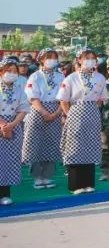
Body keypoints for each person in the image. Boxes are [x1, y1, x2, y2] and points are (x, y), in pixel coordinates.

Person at [57, 48, 107, 193]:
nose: (90, 60)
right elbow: (63, 99)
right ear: (79, 60)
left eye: (93, 58)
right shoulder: (71, 78)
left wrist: (92, 109)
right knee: (76, 147)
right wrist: (68, 114)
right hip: (75, 113)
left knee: (90, 146)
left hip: (92, 113)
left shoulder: (100, 78)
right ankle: (75, 185)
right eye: (86, 58)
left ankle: (88, 183)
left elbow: (101, 99)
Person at [23, 48, 64, 189]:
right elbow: (32, 97)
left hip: (56, 110)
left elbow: (64, 96)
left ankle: (47, 176)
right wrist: (45, 112)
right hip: (38, 111)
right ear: (41, 59)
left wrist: (57, 112)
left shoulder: (60, 76)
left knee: (52, 144)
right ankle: (37, 177)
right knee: (36, 144)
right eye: (48, 57)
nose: (52, 60)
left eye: (54, 57)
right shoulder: (35, 76)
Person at [1, 56, 30, 205]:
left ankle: (5, 194)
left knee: (9, 161)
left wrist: (12, 125)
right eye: (8, 70)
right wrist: (3, 126)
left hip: (14, 126)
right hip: (1, 125)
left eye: (14, 71)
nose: (12, 73)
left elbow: (23, 109)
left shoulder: (19, 90)